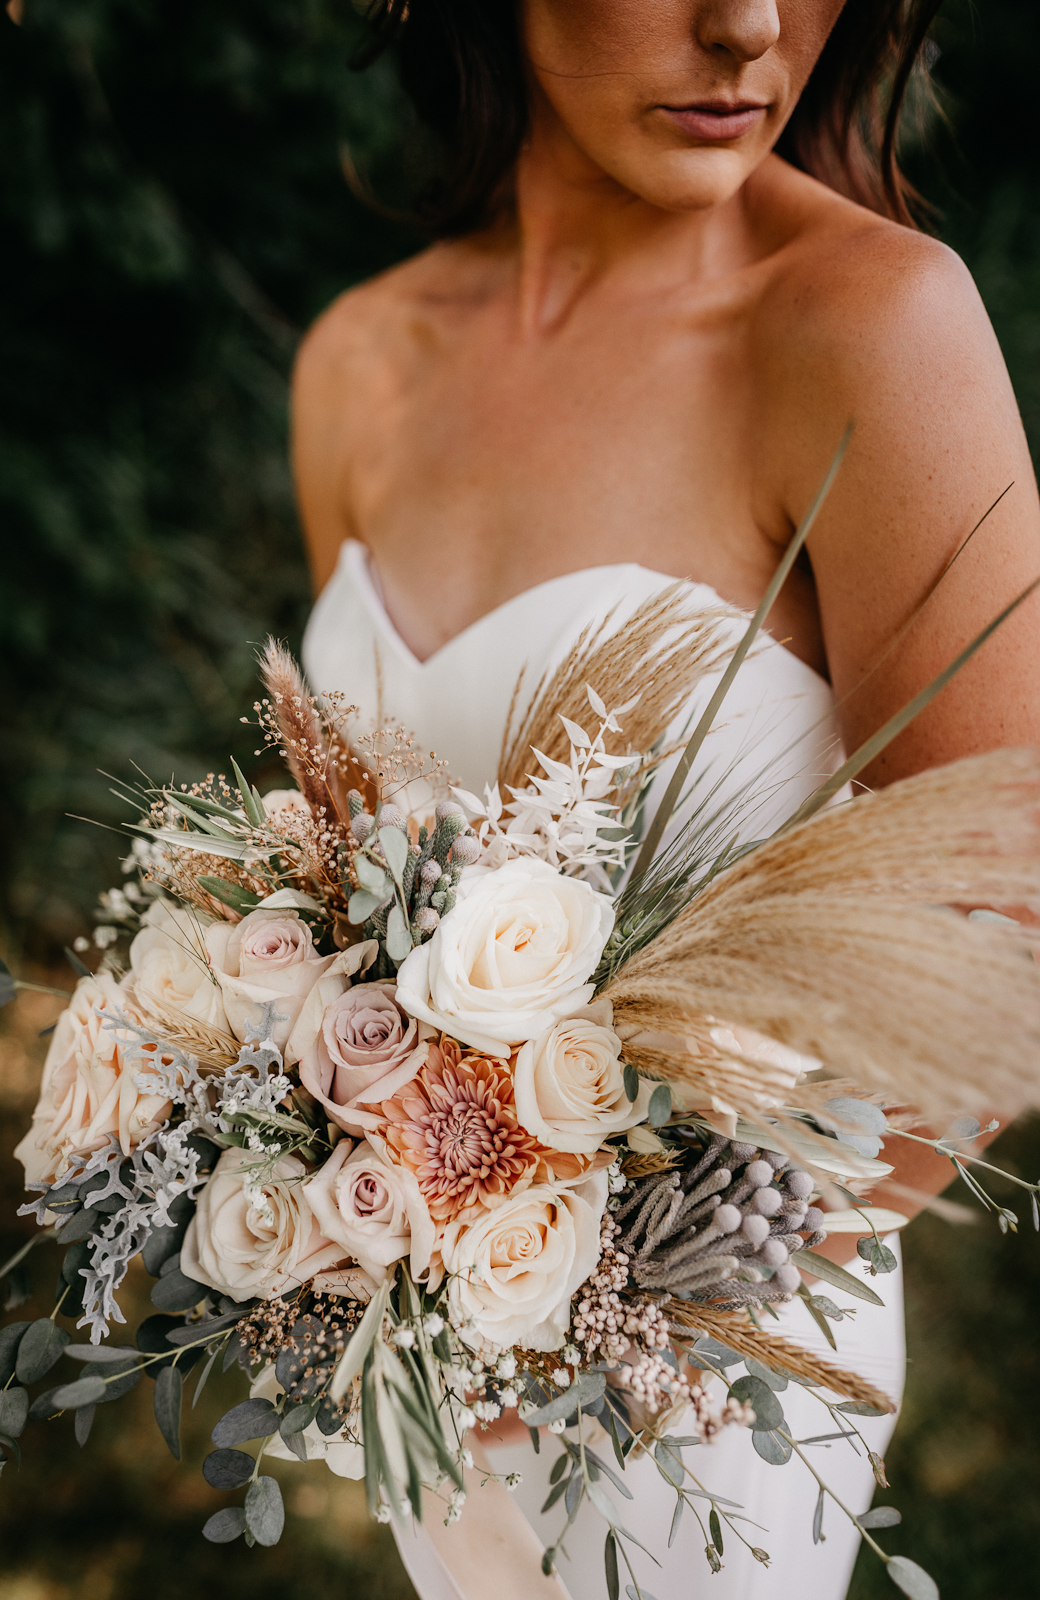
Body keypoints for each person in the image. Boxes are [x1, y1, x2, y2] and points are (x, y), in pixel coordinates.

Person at [292, 1, 1040, 1595]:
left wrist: (606, 1301)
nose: (751, 24)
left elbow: (1016, 923)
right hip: (430, 1366)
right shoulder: (357, 368)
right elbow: (346, 896)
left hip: (714, 1400)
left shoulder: (870, 327)